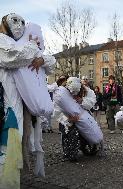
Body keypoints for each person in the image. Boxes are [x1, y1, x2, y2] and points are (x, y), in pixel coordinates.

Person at [0, 13, 55, 189]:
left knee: (14, 145)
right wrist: (31, 46)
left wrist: (41, 58)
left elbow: (51, 61)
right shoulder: (3, 41)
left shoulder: (21, 44)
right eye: (15, 21)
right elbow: (13, 58)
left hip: (19, 106)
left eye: (22, 22)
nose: (19, 25)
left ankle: (10, 182)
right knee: (8, 146)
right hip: (6, 105)